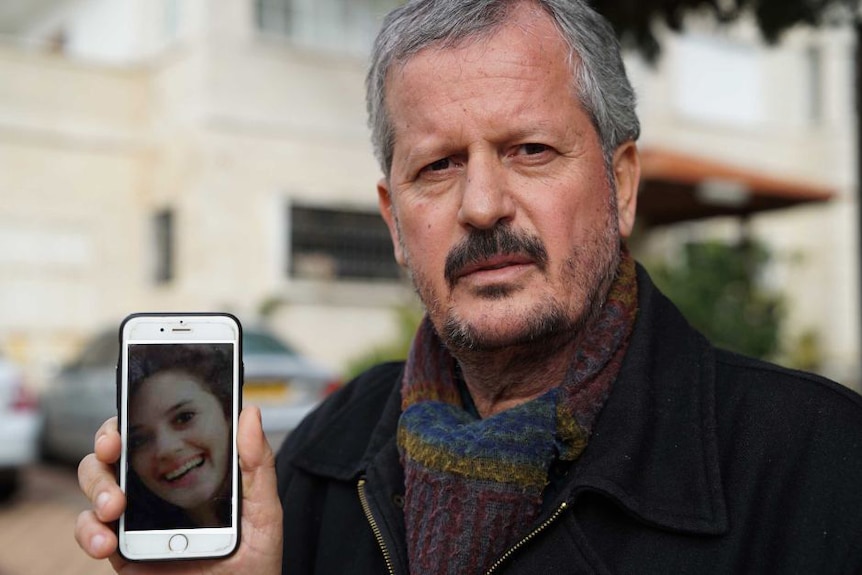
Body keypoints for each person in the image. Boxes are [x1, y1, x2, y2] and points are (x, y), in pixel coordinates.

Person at [75, 0, 862, 573]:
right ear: (393, 219)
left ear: (621, 186)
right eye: (438, 166)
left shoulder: (819, 464)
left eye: (528, 149)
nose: (482, 205)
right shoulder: (322, 460)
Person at [124, 343, 234, 530]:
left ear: (227, 412)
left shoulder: (286, 503)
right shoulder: (139, 537)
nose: (166, 448)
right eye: (139, 440)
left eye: (184, 418)